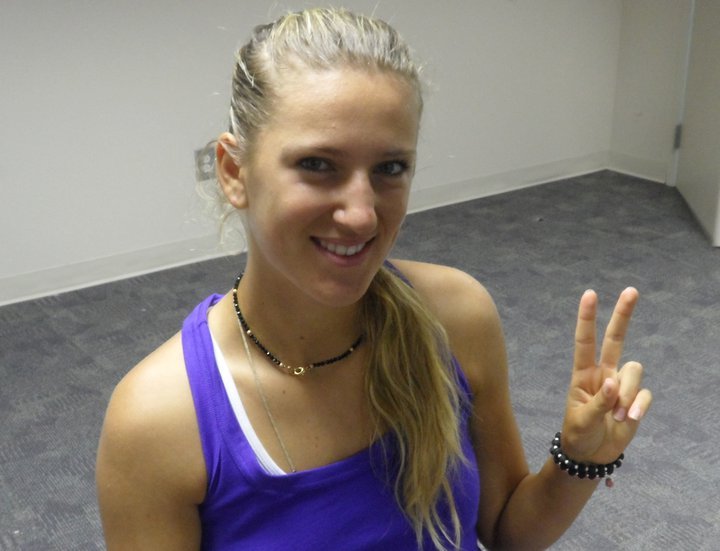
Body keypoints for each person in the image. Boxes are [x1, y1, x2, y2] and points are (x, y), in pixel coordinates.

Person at [96, 7, 652, 550]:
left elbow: (506, 532)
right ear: (234, 171)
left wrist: (580, 459)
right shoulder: (159, 420)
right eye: (318, 165)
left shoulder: (455, 317)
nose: (362, 215)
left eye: (389, 169)